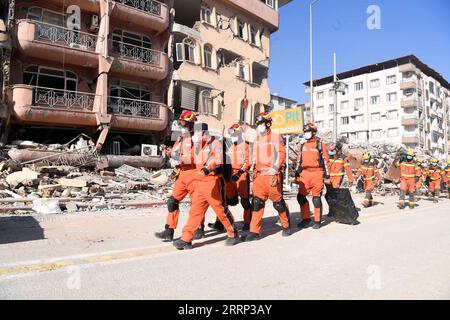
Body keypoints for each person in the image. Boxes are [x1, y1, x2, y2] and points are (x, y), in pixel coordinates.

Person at [173, 123, 240, 250]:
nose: (195, 136)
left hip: (213, 182)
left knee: (221, 211)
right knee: (195, 211)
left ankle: (233, 233)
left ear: (204, 133)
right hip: (199, 183)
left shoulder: (216, 144)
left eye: (197, 133)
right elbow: (190, 158)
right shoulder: (198, 145)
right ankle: (186, 239)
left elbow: (217, 159)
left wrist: (206, 169)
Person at [245, 112, 290, 241]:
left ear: (268, 124)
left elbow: (281, 153)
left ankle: (286, 226)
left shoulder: (276, 137)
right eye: (258, 123)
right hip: (259, 176)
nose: (259, 126)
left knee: (278, 204)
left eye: (261, 123)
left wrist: (275, 169)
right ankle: (254, 231)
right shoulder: (257, 139)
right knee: (257, 203)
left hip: (271, 175)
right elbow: (253, 157)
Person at [154, 110, 197, 241]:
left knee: (197, 205)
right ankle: (169, 230)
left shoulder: (197, 139)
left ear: (191, 124)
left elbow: (195, 158)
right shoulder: (180, 138)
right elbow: (175, 153)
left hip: (193, 173)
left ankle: (199, 229)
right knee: (172, 201)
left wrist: (177, 157)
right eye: (180, 123)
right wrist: (168, 152)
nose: (182, 126)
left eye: (184, 124)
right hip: (181, 173)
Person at [209, 123, 252, 231]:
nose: (232, 136)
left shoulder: (246, 146)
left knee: (245, 201)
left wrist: (239, 173)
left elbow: (248, 162)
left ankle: (248, 223)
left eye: (234, 134)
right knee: (224, 200)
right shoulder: (232, 146)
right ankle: (220, 223)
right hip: (230, 176)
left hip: (241, 176)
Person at [295, 123, 330, 229]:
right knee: (301, 197)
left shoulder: (320, 144)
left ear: (314, 132)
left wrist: (327, 175)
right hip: (305, 174)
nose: (306, 134)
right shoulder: (303, 145)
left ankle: (317, 221)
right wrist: (297, 172)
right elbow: (299, 159)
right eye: (305, 132)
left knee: (316, 198)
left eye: (308, 131)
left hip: (317, 173)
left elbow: (325, 159)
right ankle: (306, 219)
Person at [324, 142, 353, 217]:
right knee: (327, 196)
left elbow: (348, 169)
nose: (332, 152)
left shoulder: (343, 158)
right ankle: (333, 209)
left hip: (337, 178)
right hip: (328, 178)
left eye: (334, 150)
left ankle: (335, 210)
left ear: (338, 149)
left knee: (333, 194)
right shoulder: (329, 156)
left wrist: (351, 180)